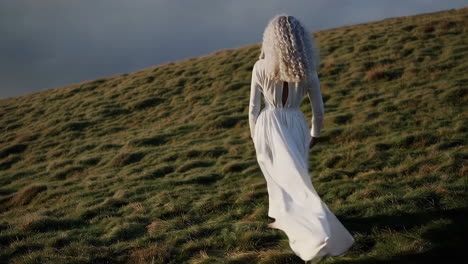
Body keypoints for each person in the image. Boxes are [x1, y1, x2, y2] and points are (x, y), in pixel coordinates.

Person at [248, 14, 354, 263]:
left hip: (268, 124)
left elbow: (253, 108)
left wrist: (255, 136)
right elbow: (318, 109)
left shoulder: (260, 67)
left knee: (278, 176)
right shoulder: (307, 70)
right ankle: (284, 218)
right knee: (296, 176)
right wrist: (315, 134)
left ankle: (310, 229)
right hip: (296, 123)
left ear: (271, 39)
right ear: (300, 40)